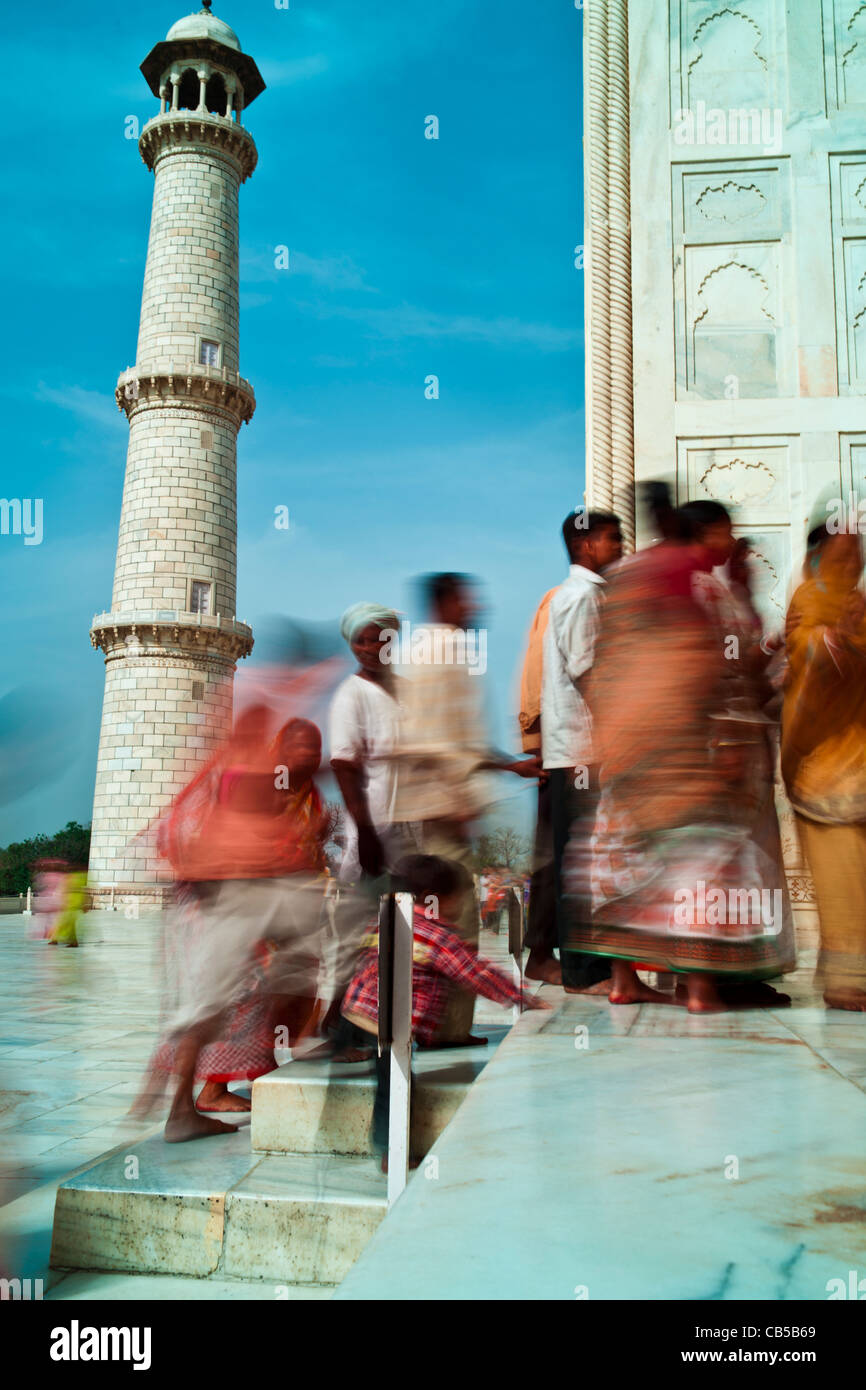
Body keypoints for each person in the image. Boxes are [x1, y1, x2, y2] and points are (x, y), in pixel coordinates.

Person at [565, 494, 795, 1012]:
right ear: (705, 534)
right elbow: (721, 669)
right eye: (725, 530)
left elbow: (604, 667)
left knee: (622, 862)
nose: (732, 541)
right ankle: (700, 988)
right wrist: (732, 738)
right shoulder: (699, 585)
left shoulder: (627, 579)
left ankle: (624, 980)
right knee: (704, 862)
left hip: (624, 746)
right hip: (685, 749)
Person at [392, 573, 541, 1046]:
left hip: (426, 805)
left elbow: (457, 739)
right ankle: (445, 1030)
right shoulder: (445, 650)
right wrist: (459, 796)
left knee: (431, 924)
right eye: (468, 599)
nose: (477, 607)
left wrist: (507, 767)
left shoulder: (421, 648)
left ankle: (432, 1024)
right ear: (447, 601)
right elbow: (437, 739)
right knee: (452, 927)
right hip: (441, 808)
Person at [340, 854, 549, 1170]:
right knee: (396, 1087)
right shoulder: (438, 936)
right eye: (458, 898)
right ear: (434, 899)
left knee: (390, 1078)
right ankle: (393, 1153)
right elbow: (474, 973)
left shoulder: (387, 919)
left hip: (359, 1010)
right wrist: (519, 997)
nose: (462, 907)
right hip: (387, 1021)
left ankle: (389, 1142)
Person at [782, 522, 866, 1011]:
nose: (853, 559)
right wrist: (842, 638)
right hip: (825, 767)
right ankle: (844, 984)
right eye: (844, 551)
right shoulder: (813, 598)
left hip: (855, 758)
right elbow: (811, 652)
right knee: (842, 879)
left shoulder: (854, 600)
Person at [541, 509, 623, 993]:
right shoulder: (580, 598)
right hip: (581, 751)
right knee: (583, 863)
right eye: (613, 538)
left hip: (580, 751)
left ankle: (595, 964)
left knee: (590, 860)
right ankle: (581, 970)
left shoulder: (589, 596)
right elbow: (589, 673)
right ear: (585, 545)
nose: (620, 546)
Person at [518, 585, 561, 983]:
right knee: (553, 851)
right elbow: (538, 671)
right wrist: (537, 742)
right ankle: (543, 952)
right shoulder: (561, 599)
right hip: (564, 750)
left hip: (591, 751)